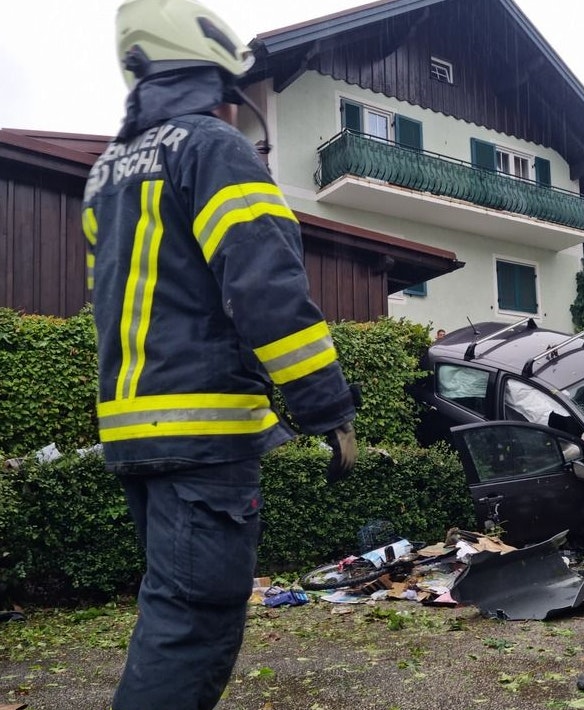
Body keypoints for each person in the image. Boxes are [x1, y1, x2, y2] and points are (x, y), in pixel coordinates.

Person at [81, 1, 359, 707]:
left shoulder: (107, 174)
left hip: (131, 433)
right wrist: (326, 406)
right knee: (191, 623)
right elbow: (265, 288)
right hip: (204, 438)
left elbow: (118, 306)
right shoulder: (210, 146)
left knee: (168, 609)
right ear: (215, 84)